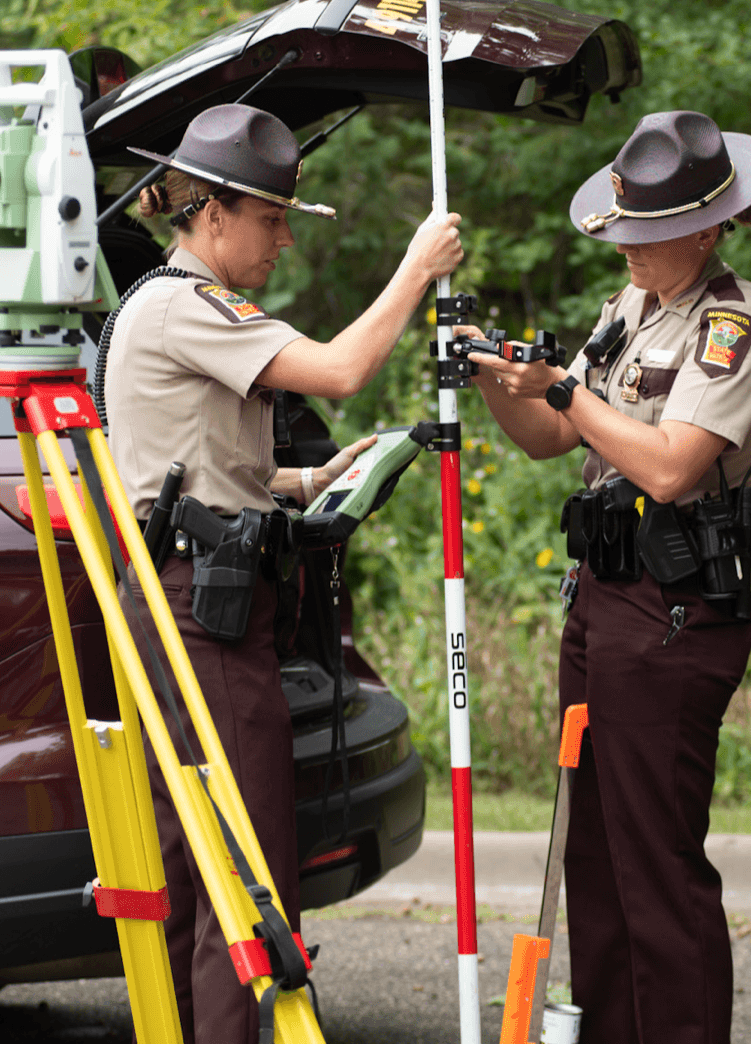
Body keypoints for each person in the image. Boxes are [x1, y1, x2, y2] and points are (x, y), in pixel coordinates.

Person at [98, 102, 462, 1044]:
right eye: (271, 219)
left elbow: (198, 464)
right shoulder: (187, 304)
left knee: (194, 864)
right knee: (243, 873)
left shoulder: (174, 307)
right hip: (205, 617)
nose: (284, 241)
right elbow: (341, 371)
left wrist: (312, 476)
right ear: (212, 213)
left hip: (193, 597)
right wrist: (416, 270)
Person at [459, 110, 751, 1044]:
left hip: (674, 606)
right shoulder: (627, 310)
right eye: (623, 227)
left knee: (656, 861)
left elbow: (672, 466)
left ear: (707, 225)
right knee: (594, 858)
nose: (627, 248)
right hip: (602, 600)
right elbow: (550, 440)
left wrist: (565, 390)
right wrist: (501, 379)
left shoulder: (739, 321)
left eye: (645, 234)